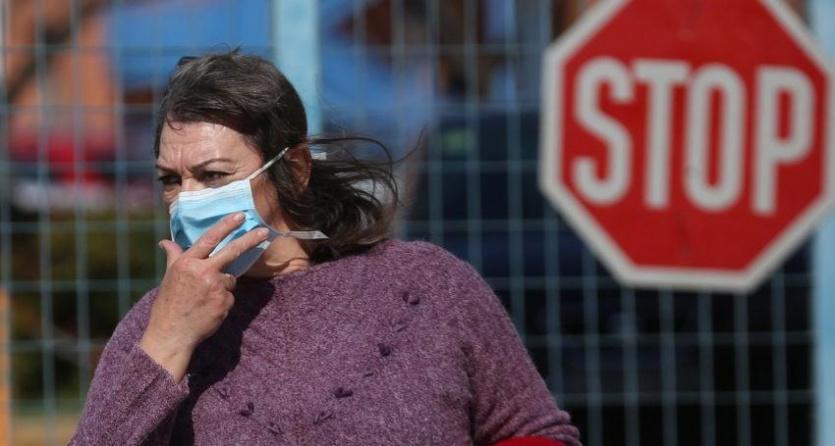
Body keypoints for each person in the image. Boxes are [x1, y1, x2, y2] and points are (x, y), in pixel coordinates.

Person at [69, 50, 581, 446]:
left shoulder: (427, 287)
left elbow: (533, 429)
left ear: (294, 170)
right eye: (171, 180)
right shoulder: (151, 327)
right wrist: (167, 342)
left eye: (214, 175)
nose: (187, 200)